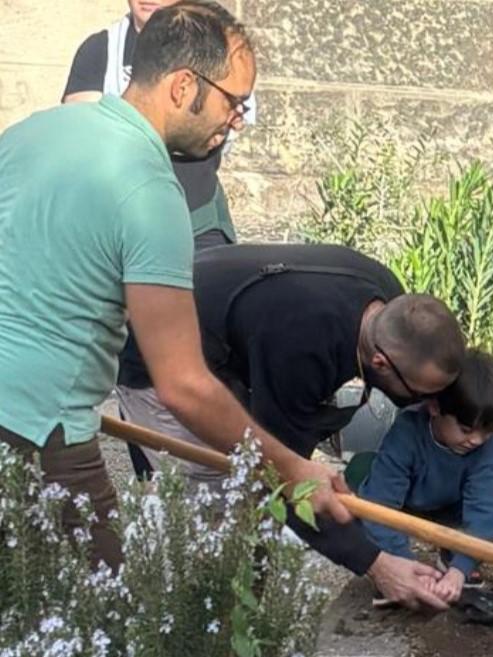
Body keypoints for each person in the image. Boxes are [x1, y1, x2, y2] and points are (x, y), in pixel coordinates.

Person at [0, 0, 348, 570]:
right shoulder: (149, 190)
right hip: (40, 432)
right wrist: (294, 468)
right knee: (102, 617)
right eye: (234, 101)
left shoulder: (35, 131)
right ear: (185, 86)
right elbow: (183, 384)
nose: (236, 119)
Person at [115, 242, 467, 611]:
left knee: (254, 506)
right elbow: (282, 477)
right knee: (220, 502)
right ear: (380, 362)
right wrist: (376, 564)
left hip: (224, 327)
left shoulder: (391, 305)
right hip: (158, 354)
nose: (430, 405)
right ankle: (205, 621)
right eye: (421, 394)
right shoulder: (303, 346)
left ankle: (242, 609)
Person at [62, 0, 255, 250]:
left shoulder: (220, 50)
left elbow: (224, 128)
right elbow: (86, 133)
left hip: (196, 215)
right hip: (117, 212)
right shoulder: (102, 49)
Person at [358, 349, 493, 607]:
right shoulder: (407, 434)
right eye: (466, 430)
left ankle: (452, 558)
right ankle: (390, 568)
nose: (477, 439)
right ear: (434, 408)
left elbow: (483, 510)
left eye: (488, 431)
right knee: (361, 483)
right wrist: (404, 566)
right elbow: (380, 506)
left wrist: (460, 569)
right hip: (402, 506)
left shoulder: (487, 447)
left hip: (450, 506)